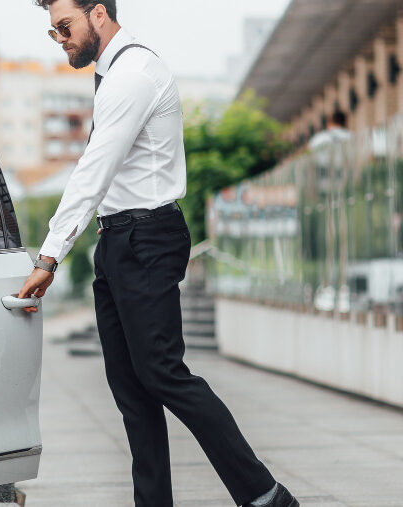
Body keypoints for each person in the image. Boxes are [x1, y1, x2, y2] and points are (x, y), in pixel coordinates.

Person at [16, 1, 299, 506]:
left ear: (98, 13)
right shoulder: (113, 74)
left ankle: (264, 496)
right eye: (52, 30)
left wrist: (49, 257)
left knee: (163, 374)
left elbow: (93, 171)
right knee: (131, 391)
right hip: (119, 240)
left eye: (65, 26)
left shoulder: (133, 74)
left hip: (146, 236)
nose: (59, 38)